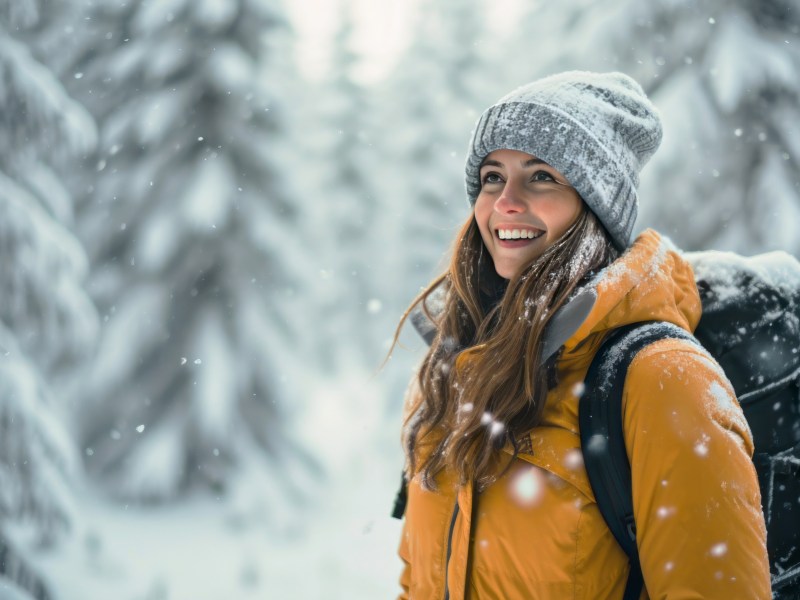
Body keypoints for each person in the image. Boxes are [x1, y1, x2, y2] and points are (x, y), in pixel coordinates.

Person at [393, 71, 771, 599]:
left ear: (595, 205)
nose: (505, 201)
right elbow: (419, 582)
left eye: (542, 176)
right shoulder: (450, 374)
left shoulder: (661, 379)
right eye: (492, 176)